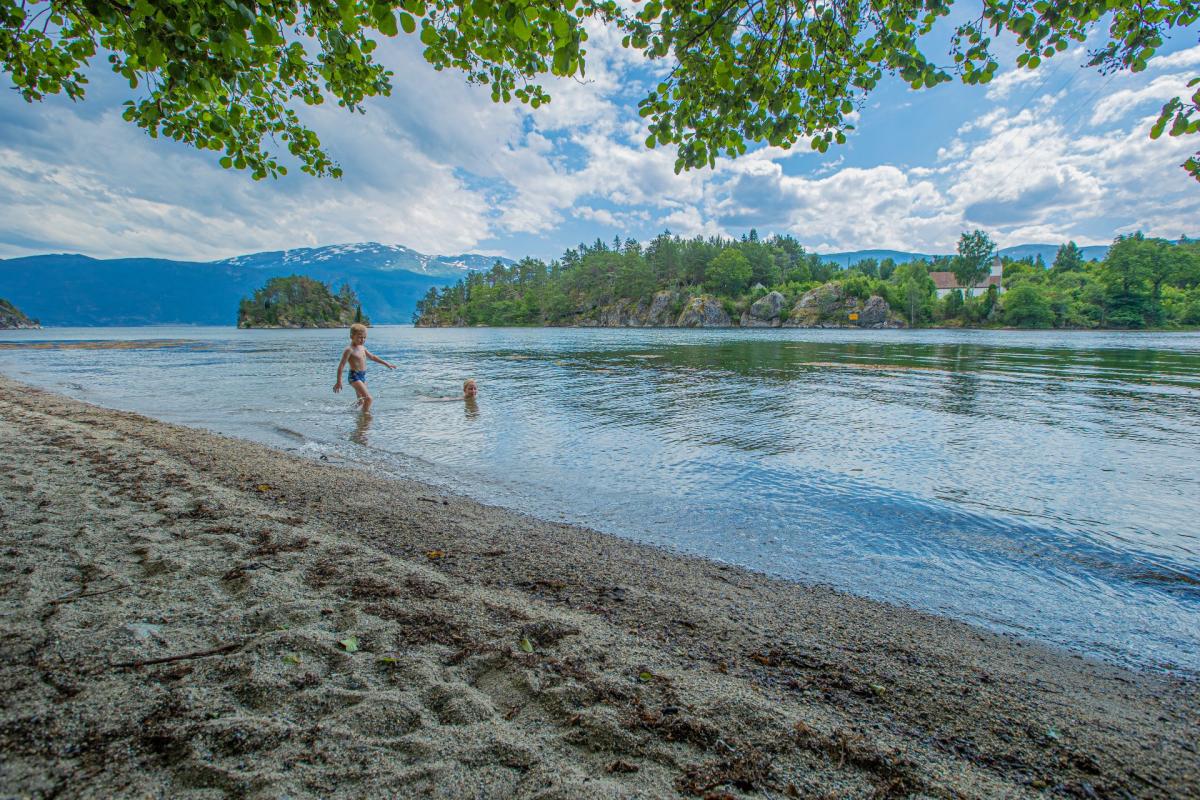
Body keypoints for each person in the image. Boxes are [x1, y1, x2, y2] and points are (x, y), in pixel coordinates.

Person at [333, 323, 395, 414]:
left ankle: (347, 411)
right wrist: (339, 381)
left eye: (364, 337)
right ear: (352, 337)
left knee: (361, 401)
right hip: (354, 377)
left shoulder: (362, 348)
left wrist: (387, 364)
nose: (362, 340)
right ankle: (364, 416)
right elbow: (341, 366)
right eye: (360, 337)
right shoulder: (349, 350)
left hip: (362, 376)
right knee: (369, 399)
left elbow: (373, 357)